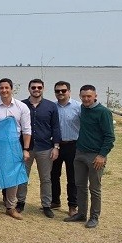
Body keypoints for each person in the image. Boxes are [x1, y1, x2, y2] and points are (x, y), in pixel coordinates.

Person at [64, 85, 115, 228]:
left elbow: (110, 137)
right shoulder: (82, 109)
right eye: (83, 96)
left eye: (89, 96)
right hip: (80, 153)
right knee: (80, 186)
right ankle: (81, 214)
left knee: (95, 188)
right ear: (80, 96)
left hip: (95, 156)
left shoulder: (103, 112)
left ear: (95, 96)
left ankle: (94, 217)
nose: (86, 99)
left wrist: (102, 155)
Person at [0, 78, 31, 220]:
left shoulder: (21, 107)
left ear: (11, 89)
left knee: (13, 176)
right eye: (1, 88)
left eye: (6, 88)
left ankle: (10, 207)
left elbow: (26, 129)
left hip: (14, 145)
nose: (4, 90)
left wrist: (26, 149)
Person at [19, 79, 61, 218]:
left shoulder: (50, 106)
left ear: (43, 88)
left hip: (45, 148)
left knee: (46, 178)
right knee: (23, 177)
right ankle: (20, 202)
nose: (36, 89)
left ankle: (46, 205)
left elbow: (55, 127)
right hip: (26, 148)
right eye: (33, 87)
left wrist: (56, 146)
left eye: (39, 87)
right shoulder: (21, 105)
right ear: (29, 88)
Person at [51, 81, 81, 217]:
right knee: (54, 175)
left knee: (72, 177)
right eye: (58, 91)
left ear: (69, 91)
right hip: (56, 146)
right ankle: (55, 201)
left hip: (73, 145)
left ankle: (73, 205)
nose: (61, 93)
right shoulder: (52, 107)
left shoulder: (78, 107)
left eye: (63, 90)